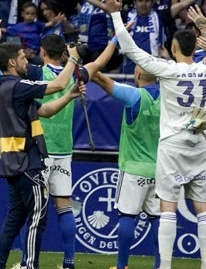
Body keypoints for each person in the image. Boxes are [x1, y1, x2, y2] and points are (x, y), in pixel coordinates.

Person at [105, 0, 206, 269]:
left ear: (174, 48)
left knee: (168, 210)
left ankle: (164, 267)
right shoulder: (205, 68)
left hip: (172, 145)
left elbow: (130, 48)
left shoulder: (168, 70)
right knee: (203, 212)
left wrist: (115, 12)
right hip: (200, 143)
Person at [0, 41, 82, 269]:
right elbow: (59, 83)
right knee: (37, 220)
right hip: (27, 163)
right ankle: (30, 265)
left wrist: (69, 97)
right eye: (22, 58)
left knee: (14, 220)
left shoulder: (6, 89)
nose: (27, 62)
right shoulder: (19, 86)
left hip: (12, 162)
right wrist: (73, 58)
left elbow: (46, 111)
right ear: (12, 62)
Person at [84, 41, 160, 269]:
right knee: (158, 219)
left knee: (127, 216)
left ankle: (121, 266)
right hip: (159, 168)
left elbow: (98, 77)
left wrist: (106, 49)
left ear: (137, 73)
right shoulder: (168, 98)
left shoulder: (133, 96)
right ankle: (160, 265)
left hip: (134, 168)